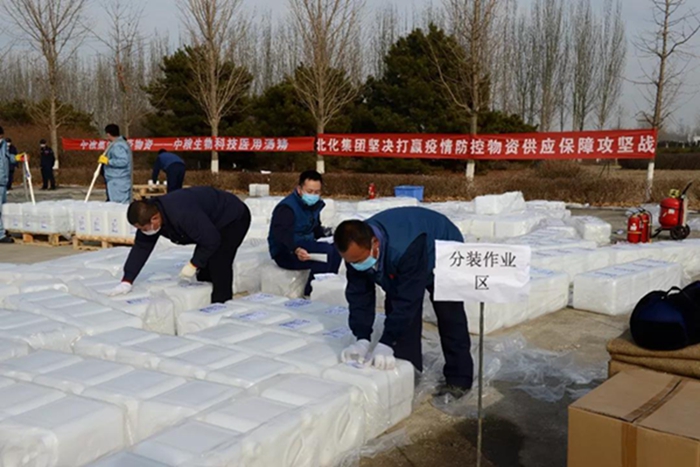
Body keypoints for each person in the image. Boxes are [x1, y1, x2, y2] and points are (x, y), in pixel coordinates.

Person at [334, 207, 474, 398]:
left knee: (449, 314)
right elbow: (359, 296)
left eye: (359, 260)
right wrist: (362, 338)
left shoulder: (404, 248)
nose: (356, 265)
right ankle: (408, 375)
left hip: (442, 249)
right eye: (351, 262)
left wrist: (386, 341)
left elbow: (408, 300)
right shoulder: (355, 252)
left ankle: (459, 379)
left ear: (375, 243)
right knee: (397, 311)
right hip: (404, 253)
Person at [109, 187, 251, 304]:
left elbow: (211, 240)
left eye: (144, 228)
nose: (143, 231)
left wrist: (194, 264)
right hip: (208, 222)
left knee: (219, 262)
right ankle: (204, 301)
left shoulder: (182, 214)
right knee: (204, 271)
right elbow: (141, 247)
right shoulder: (148, 214)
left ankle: (221, 307)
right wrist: (127, 280)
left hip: (233, 218)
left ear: (155, 218)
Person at [268, 170, 341, 296]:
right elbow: (281, 234)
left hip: (306, 243)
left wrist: (330, 237)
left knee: (337, 248)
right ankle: (311, 293)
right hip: (286, 251)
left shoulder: (314, 206)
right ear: (299, 189)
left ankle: (327, 288)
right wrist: (295, 249)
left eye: (317, 192)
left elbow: (315, 228)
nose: (313, 195)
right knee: (325, 252)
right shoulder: (287, 208)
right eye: (310, 191)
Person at [100, 124, 132, 204]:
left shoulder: (118, 146)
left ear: (108, 134)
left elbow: (123, 161)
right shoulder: (117, 144)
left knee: (118, 205)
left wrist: (108, 161)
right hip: (117, 179)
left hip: (118, 180)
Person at [0, 127, 14, 243]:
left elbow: (8, 157)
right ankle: (0, 234)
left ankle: (4, 229)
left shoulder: (4, 145)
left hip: (3, 181)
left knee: (4, 209)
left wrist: (18, 157)